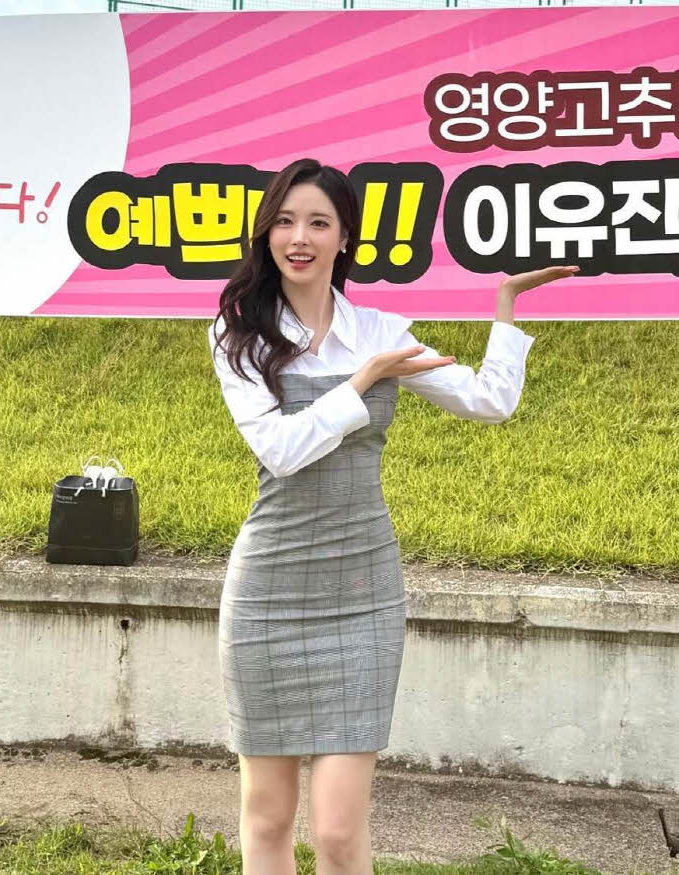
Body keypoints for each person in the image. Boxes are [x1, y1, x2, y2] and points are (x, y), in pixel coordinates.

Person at [208, 157, 579, 875]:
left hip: (362, 593)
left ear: (344, 237)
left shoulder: (380, 329)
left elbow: (490, 401)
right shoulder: (239, 334)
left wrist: (504, 305)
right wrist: (364, 380)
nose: (299, 238)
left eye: (318, 222)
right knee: (268, 817)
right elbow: (282, 451)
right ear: (266, 233)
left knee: (339, 833)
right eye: (285, 221)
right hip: (267, 593)